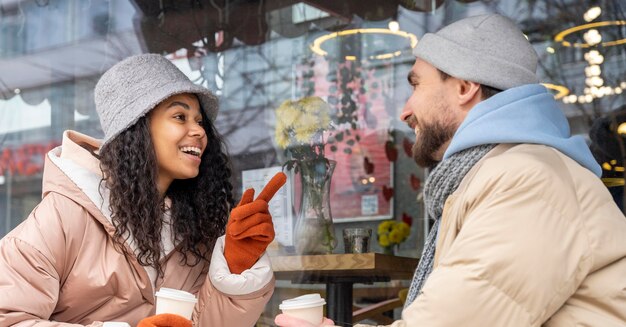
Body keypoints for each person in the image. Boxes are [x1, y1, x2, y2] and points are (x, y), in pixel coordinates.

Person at [276, 13, 626, 327]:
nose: (405, 111)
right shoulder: (502, 173)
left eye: (416, 85)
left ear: (464, 86)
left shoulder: (528, 179)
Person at [0, 53, 286, 326]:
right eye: (179, 117)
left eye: (200, 121)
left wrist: (236, 265)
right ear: (136, 129)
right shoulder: (63, 216)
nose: (199, 131)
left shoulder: (196, 228)